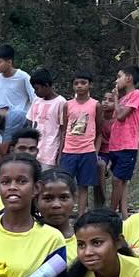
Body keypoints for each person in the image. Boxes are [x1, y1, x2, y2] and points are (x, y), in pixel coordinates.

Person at [103, 64, 139, 213]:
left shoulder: (136, 95)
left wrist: (115, 99)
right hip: (115, 145)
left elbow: (121, 117)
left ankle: (110, 213)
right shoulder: (123, 99)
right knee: (121, 182)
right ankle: (123, 214)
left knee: (117, 180)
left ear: (129, 79)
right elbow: (132, 121)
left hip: (127, 146)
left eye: (119, 76)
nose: (116, 80)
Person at [59, 72, 99, 214]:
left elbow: (98, 130)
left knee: (84, 185)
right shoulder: (67, 105)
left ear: (90, 85)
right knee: (65, 184)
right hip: (69, 151)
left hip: (87, 151)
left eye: (83, 83)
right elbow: (64, 130)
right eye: (76, 83)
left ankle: (81, 214)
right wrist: (61, 151)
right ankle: (66, 212)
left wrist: (96, 150)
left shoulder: (95, 105)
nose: (79, 86)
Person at [0, 44, 35, 135]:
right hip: (0, 124)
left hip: (18, 124)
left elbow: (35, 100)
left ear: (9, 62)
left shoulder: (23, 77)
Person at [27, 68, 67, 167]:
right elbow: (29, 122)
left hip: (50, 153)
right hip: (33, 151)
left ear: (47, 85)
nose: (35, 92)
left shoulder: (61, 102)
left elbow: (63, 131)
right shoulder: (36, 100)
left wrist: (60, 154)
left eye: (37, 89)